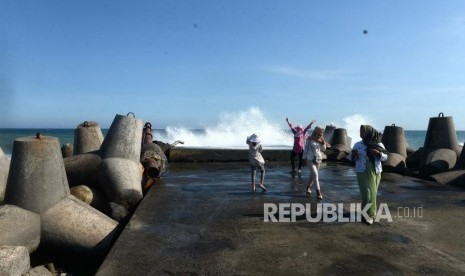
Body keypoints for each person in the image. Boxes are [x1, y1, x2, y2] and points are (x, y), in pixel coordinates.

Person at [348, 125, 389, 225]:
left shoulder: (379, 144)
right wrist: (354, 155)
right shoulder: (357, 145)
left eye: (363, 132)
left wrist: (378, 153)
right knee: (367, 193)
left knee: (372, 193)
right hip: (362, 171)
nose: (361, 134)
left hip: (375, 171)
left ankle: (367, 213)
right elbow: (351, 158)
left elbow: (386, 157)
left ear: (369, 133)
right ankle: (369, 215)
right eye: (360, 131)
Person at [303, 126, 331, 199]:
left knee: (312, 176)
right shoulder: (309, 138)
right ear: (315, 131)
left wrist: (323, 143)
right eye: (318, 133)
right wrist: (303, 158)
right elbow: (306, 149)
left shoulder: (321, 139)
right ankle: (318, 191)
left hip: (318, 159)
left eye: (321, 133)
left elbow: (323, 149)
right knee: (315, 173)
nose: (319, 135)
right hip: (310, 158)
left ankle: (308, 187)